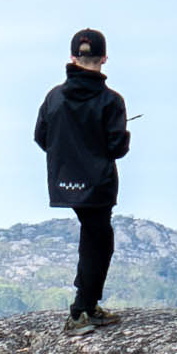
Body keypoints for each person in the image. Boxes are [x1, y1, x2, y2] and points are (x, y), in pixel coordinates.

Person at [35, 28, 132, 323]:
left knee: (92, 236)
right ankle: (82, 309)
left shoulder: (54, 97)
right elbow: (117, 148)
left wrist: (67, 157)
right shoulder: (111, 101)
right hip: (99, 184)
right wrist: (123, 136)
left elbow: (41, 136)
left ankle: (86, 305)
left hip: (65, 180)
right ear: (104, 58)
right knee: (100, 240)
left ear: (72, 57)